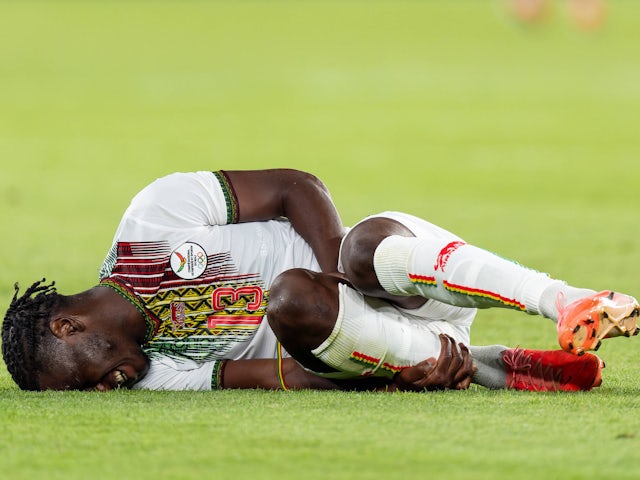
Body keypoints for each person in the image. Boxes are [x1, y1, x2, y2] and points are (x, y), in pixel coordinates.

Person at [2, 169, 638, 392]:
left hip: (391, 276)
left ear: (67, 325)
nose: (109, 388)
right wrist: (383, 376)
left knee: (362, 246)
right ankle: (489, 364)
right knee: (293, 302)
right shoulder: (153, 370)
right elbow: (285, 373)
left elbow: (294, 186)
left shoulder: (151, 220)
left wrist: (342, 272)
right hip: (351, 339)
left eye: (84, 379)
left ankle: (564, 300)